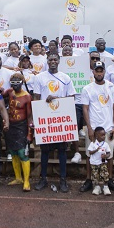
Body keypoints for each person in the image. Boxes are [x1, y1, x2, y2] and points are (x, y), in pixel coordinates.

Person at [33, 53, 76, 192]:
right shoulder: (39, 77)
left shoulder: (66, 78)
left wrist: (57, 99)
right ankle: (43, 178)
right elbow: (36, 98)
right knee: (44, 152)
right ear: (47, 61)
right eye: (50, 59)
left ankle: (62, 180)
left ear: (59, 61)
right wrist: (37, 119)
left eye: (55, 60)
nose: (52, 61)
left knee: (62, 151)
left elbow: (71, 97)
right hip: (46, 121)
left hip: (60, 120)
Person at [82, 61, 114, 193]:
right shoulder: (87, 88)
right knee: (90, 155)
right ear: (93, 72)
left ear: (104, 71)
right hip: (93, 126)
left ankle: (109, 180)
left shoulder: (112, 87)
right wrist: (89, 128)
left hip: (108, 127)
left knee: (108, 155)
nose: (99, 73)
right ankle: (89, 180)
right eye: (96, 70)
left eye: (101, 70)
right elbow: (85, 109)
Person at [2, 73, 33, 191]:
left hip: (22, 126)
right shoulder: (9, 92)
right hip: (11, 126)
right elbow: (0, 95)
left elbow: (30, 117)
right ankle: (18, 178)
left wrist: (30, 134)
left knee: (22, 153)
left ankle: (26, 181)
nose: (15, 85)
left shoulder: (27, 97)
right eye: (13, 82)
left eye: (17, 82)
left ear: (22, 82)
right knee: (13, 152)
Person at [86, 127, 113, 196]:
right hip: (94, 163)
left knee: (105, 174)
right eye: (102, 135)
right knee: (95, 175)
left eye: (104, 135)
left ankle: (106, 187)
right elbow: (90, 152)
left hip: (102, 162)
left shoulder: (105, 144)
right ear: (97, 135)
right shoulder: (93, 144)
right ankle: (97, 187)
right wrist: (96, 150)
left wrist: (106, 156)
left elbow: (108, 153)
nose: (104, 137)